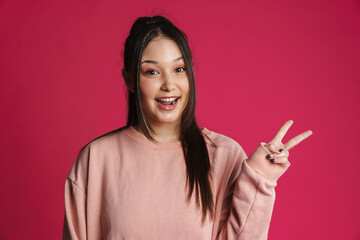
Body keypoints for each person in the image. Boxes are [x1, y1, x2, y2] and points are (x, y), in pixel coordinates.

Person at [62, 15, 312, 240]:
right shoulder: (96, 160)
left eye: (179, 69)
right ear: (129, 80)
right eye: (152, 72)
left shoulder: (224, 154)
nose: (169, 84)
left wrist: (260, 178)